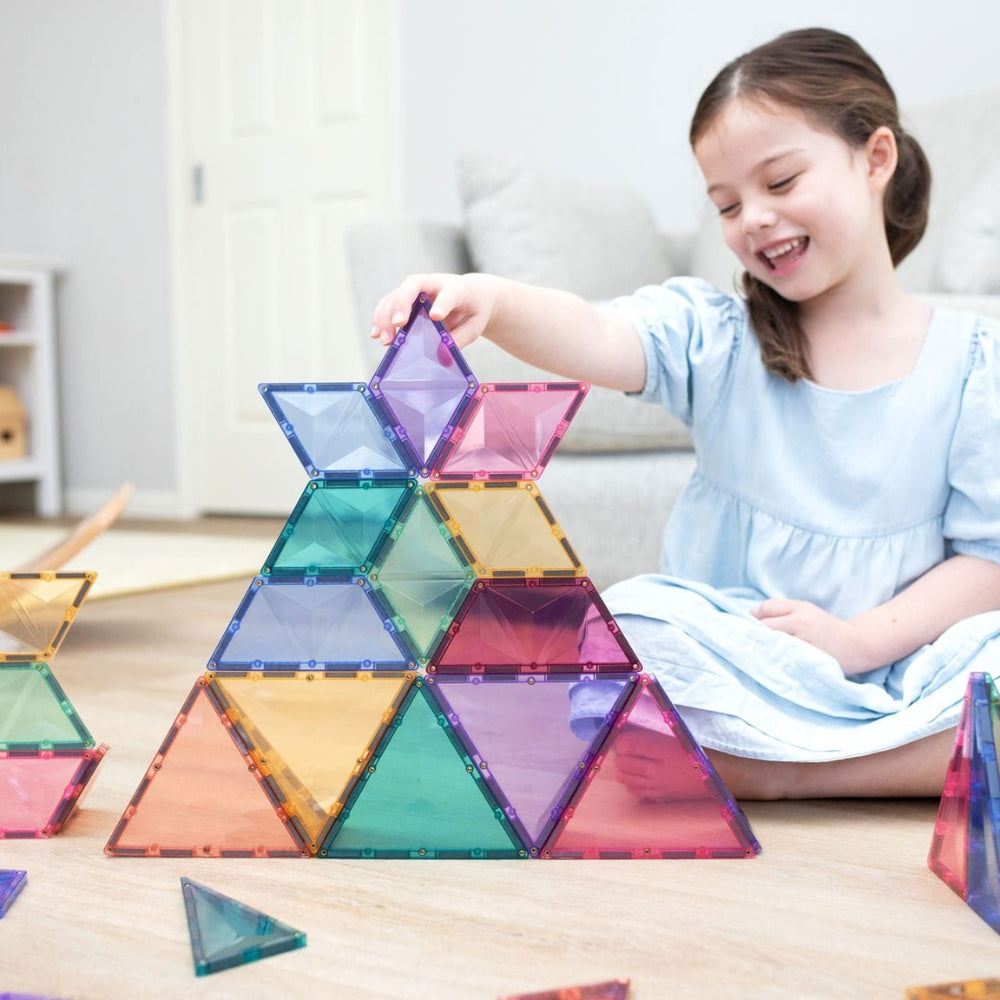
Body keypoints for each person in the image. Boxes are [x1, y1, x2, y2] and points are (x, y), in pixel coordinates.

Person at [369, 28, 1000, 800]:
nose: (754, 218)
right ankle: (859, 763)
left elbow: (987, 562)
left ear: (875, 159)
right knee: (635, 620)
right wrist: (492, 299)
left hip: (910, 664)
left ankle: (787, 775)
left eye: (781, 181)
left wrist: (857, 642)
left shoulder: (975, 361)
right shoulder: (716, 335)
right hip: (747, 662)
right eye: (727, 204)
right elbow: (597, 331)